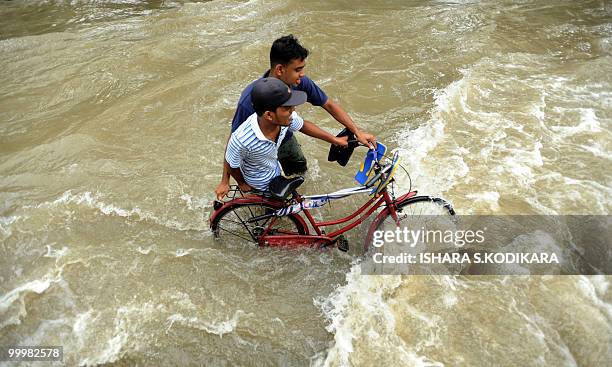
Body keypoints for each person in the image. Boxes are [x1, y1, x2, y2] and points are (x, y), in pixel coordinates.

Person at [215, 34, 375, 199]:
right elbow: (234, 142)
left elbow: (327, 105)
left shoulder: (298, 83)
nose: (302, 75)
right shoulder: (251, 101)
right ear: (280, 70)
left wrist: (355, 132)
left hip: (283, 136)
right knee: (263, 193)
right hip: (258, 149)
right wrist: (225, 180)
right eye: (298, 69)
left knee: (298, 170)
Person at [225, 78, 348, 192]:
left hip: (274, 171)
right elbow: (232, 164)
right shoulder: (242, 140)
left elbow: (303, 126)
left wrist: (335, 140)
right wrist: (242, 185)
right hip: (258, 184)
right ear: (269, 115)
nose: (293, 110)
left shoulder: (284, 119)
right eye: (287, 108)